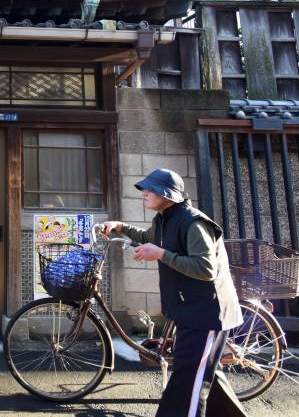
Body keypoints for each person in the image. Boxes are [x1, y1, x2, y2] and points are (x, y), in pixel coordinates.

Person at [102, 168, 246, 417]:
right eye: (144, 189)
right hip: (190, 309)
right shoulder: (164, 218)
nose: (144, 193)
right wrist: (119, 226)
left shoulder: (194, 222)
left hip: (208, 312)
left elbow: (206, 269)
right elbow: (148, 237)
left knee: (188, 381)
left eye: (150, 189)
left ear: (168, 195)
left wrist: (160, 254)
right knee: (199, 370)